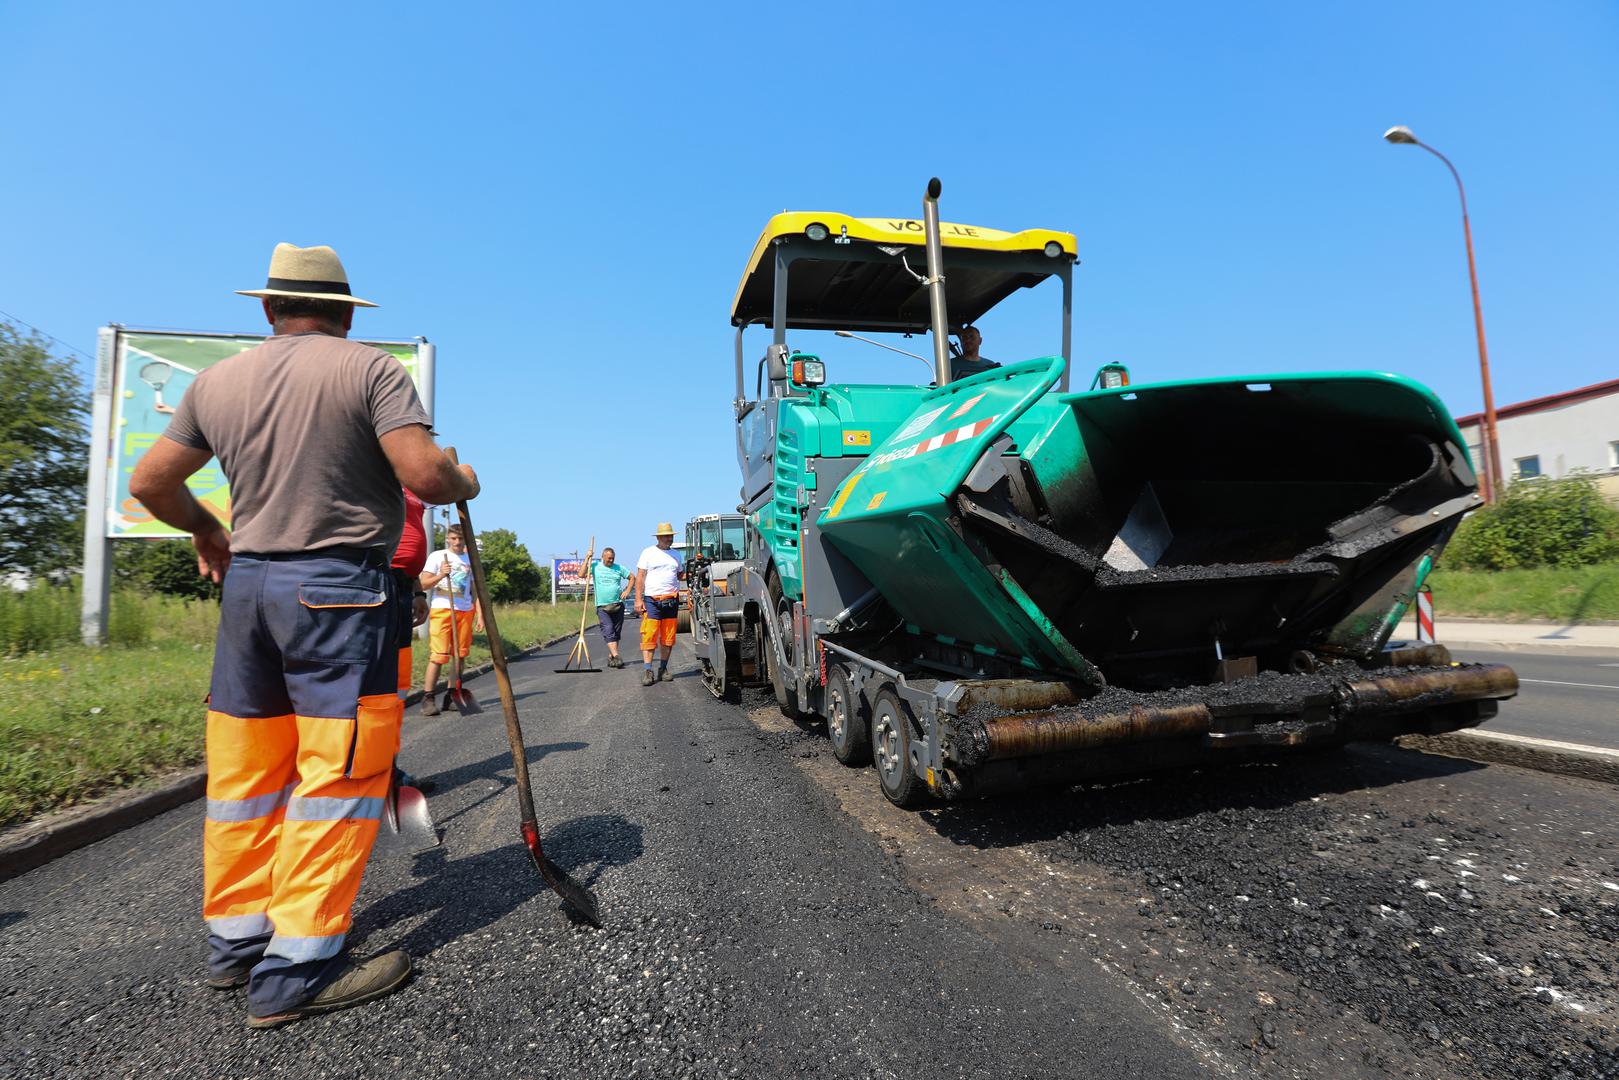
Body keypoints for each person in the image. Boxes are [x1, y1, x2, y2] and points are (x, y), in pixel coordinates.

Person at [128, 242, 479, 1029]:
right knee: (339, 775)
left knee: (247, 775)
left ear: (267, 310)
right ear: (350, 313)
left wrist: (209, 531)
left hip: (248, 590)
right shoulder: (369, 370)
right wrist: (464, 480)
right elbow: (422, 474)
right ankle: (297, 971)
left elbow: (150, 482)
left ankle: (238, 946)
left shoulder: (215, 382)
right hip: (338, 594)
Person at [419, 523, 482, 713]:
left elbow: (475, 589)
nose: (457, 542)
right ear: (447, 538)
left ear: (465, 539)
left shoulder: (470, 558)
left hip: (464, 610)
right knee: (438, 656)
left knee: (459, 655)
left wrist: (480, 613)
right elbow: (422, 584)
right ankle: (428, 698)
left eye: (460, 538)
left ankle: (452, 695)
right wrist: (441, 574)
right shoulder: (437, 556)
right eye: (453, 538)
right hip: (442, 610)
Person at [634, 522, 683, 686]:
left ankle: (663, 668)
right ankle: (648, 670)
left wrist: (690, 572)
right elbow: (640, 577)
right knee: (649, 635)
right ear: (659, 537)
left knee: (668, 638)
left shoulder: (676, 555)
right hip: (652, 601)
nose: (670, 539)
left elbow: (680, 575)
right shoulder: (648, 553)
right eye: (667, 536)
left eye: (671, 536)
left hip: (671, 600)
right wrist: (638, 599)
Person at [587, 547, 634, 668]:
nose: (611, 560)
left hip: (618, 604)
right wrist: (587, 558)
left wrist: (627, 590)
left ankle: (612, 656)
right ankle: (617, 657)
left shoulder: (619, 568)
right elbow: (581, 574)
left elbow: (632, 577)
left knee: (616, 633)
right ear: (602, 557)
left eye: (612, 558)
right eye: (609, 558)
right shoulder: (595, 566)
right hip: (602, 606)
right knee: (608, 629)